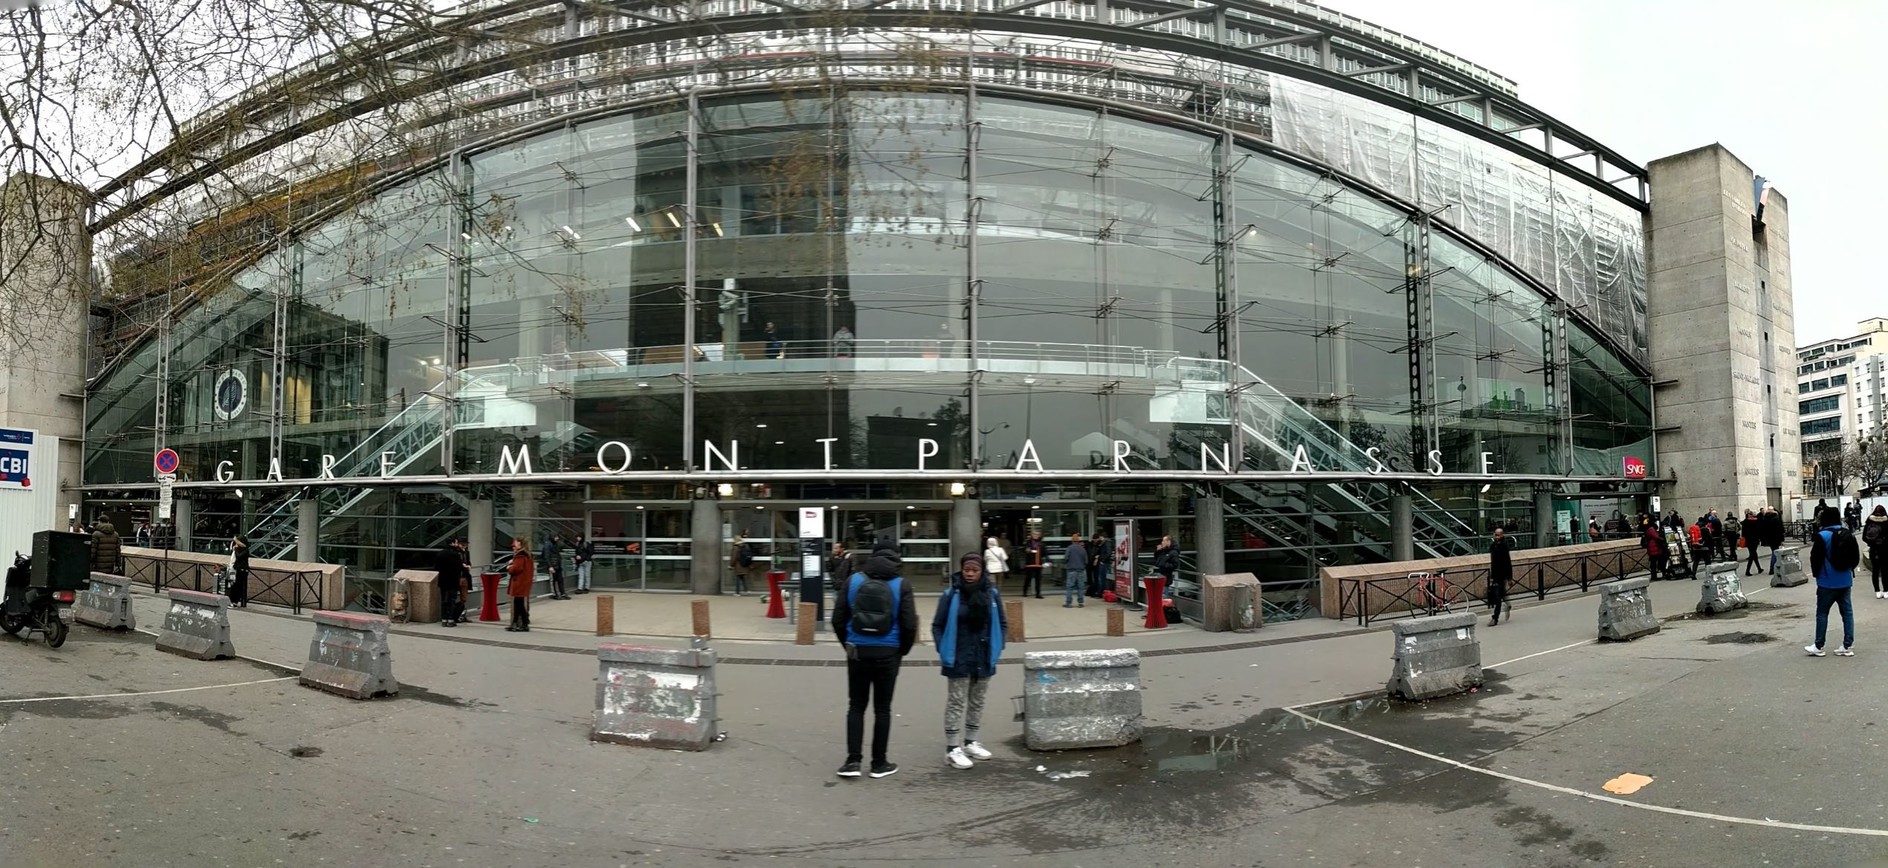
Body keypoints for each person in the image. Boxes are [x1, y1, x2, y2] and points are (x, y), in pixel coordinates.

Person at [833, 539, 919, 779]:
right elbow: (909, 624)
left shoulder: (854, 581)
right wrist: (901, 650)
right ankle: (879, 763)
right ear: (896, 557)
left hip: (857, 651)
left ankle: (852, 762)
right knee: (883, 709)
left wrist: (848, 644)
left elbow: (838, 619)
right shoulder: (902, 584)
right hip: (888, 653)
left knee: (856, 706)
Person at [932, 552, 1007, 770]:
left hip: (983, 655)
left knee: (977, 700)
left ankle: (971, 741)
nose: (970, 574)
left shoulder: (992, 594)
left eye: (975, 570)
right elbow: (937, 625)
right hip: (958, 655)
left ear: (982, 571)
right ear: (962, 570)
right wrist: (942, 648)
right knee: (956, 701)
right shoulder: (951, 595)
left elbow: (1002, 623)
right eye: (967, 570)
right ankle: (952, 748)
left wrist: (999, 646)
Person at [1807, 507, 1858, 657]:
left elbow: (1815, 559)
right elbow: (1855, 557)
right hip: (1845, 580)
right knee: (1847, 613)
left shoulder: (1822, 536)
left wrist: (1817, 575)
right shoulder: (1847, 534)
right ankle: (1847, 645)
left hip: (1827, 581)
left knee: (1822, 614)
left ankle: (1818, 646)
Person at [435, 537, 470, 627]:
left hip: (442, 580)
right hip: (453, 580)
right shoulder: (455, 554)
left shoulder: (440, 554)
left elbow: (436, 568)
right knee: (452, 599)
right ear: (453, 543)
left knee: (443, 600)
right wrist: (465, 567)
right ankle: (450, 619)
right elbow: (459, 567)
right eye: (456, 542)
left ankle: (444, 619)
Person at [506, 538, 535, 632]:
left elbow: (516, 569)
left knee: (518, 604)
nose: (514, 545)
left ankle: (520, 624)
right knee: (519, 604)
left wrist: (509, 567)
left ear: (520, 544)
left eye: (516, 543)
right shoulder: (527, 555)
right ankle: (521, 623)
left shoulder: (520, 556)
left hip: (519, 582)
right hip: (524, 582)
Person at [1487, 527, 1512, 625]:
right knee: (1501, 594)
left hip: (1503, 575)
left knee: (1497, 597)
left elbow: (1508, 562)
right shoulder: (1493, 546)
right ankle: (1508, 604)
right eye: (1495, 534)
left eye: (1498, 535)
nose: (1496, 536)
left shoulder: (1504, 546)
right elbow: (1493, 562)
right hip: (1496, 575)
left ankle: (1495, 618)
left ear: (1502, 535)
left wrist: (1509, 577)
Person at [1062, 534, 1088, 608]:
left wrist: (1067, 563)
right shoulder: (1082, 549)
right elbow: (1086, 561)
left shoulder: (1069, 548)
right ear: (1078, 541)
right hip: (1081, 570)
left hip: (1071, 570)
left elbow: (1066, 558)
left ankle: (1069, 603)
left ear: (1072, 541)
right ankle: (1081, 603)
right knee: (1080, 587)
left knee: (1070, 587)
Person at [540, 534, 568, 600]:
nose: (557, 538)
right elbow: (546, 556)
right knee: (554, 580)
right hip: (553, 565)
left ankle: (562, 593)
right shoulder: (548, 545)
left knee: (560, 580)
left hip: (557, 564)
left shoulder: (555, 544)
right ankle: (555, 594)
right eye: (556, 537)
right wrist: (550, 566)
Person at [228, 534, 251, 607]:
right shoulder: (238, 549)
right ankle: (233, 600)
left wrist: (237, 549)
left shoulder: (245, 550)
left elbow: (239, 556)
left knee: (238, 586)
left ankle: (235, 600)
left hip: (242, 570)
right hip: (236, 569)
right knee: (234, 585)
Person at [1021, 530, 1044, 599]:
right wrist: (1029, 550)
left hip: (1038, 564)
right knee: (1028, 578)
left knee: (1038, 580)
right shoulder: (1028, 542)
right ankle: (1025, 592)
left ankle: (1038, 593)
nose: (1036, 535)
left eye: (1037, 534)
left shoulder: (1041, 543)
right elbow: (1024, 550)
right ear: (1032, 535)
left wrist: (1047, 561)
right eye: (1034, 534)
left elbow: (1044, 552)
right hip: (1030, 563)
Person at [730, 532, 754, 596]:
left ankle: (737, 592)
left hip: (738, 565)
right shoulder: (744, 545)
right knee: (742, 577)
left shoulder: (736, 547)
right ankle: (746, 590)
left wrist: (731, 565)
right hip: (744, 564)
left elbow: (734, 557)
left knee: (737, 578)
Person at [1742, 509, 1763, 575]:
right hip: (1755, 540)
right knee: (1752, 554)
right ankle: (1747, 571)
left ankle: (1759, 568)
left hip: (1748, 540)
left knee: (1753, 554)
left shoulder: (1745, 522)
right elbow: (1760, 531)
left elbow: (1743, 533)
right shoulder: (1757, 521)